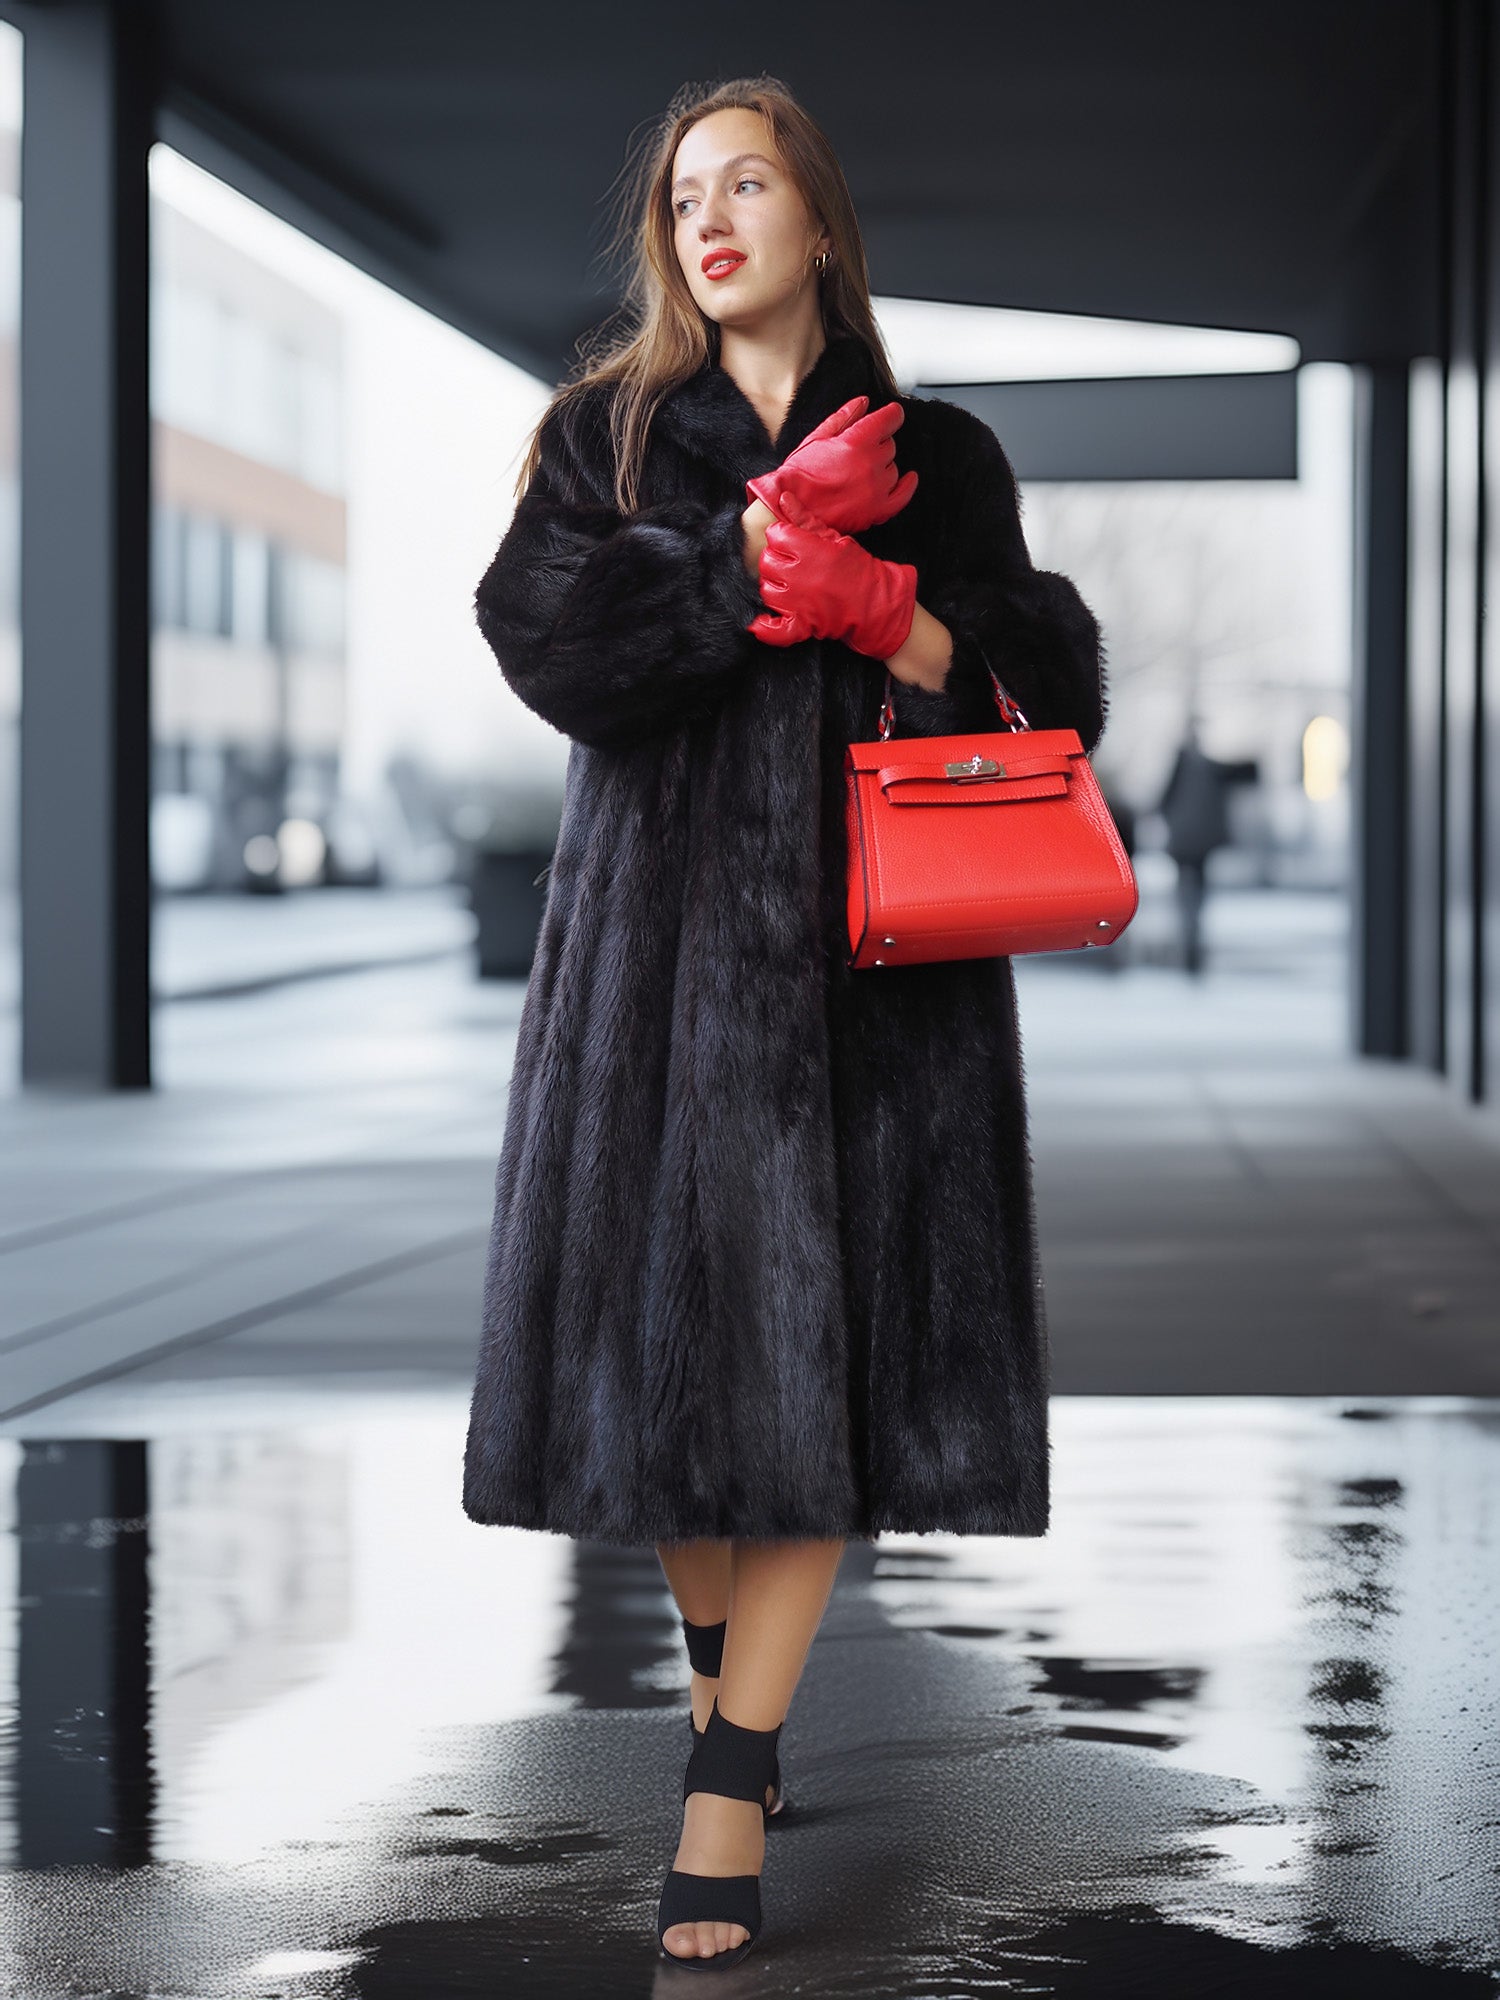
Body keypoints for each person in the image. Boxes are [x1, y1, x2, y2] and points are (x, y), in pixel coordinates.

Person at [461, 74, 1109, 1970]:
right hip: (649, 976)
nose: (710, 219)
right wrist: (733, 574)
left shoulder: (940, 449)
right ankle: (720, 1679)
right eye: (682, 198)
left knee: (824, 1367)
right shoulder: (609, 433)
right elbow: (543, 647)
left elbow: (1043, 682)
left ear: (820, 221)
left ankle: (732, 1773)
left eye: (749, 184)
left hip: (872, 979)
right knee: (674, 1378)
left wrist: (885, 607)